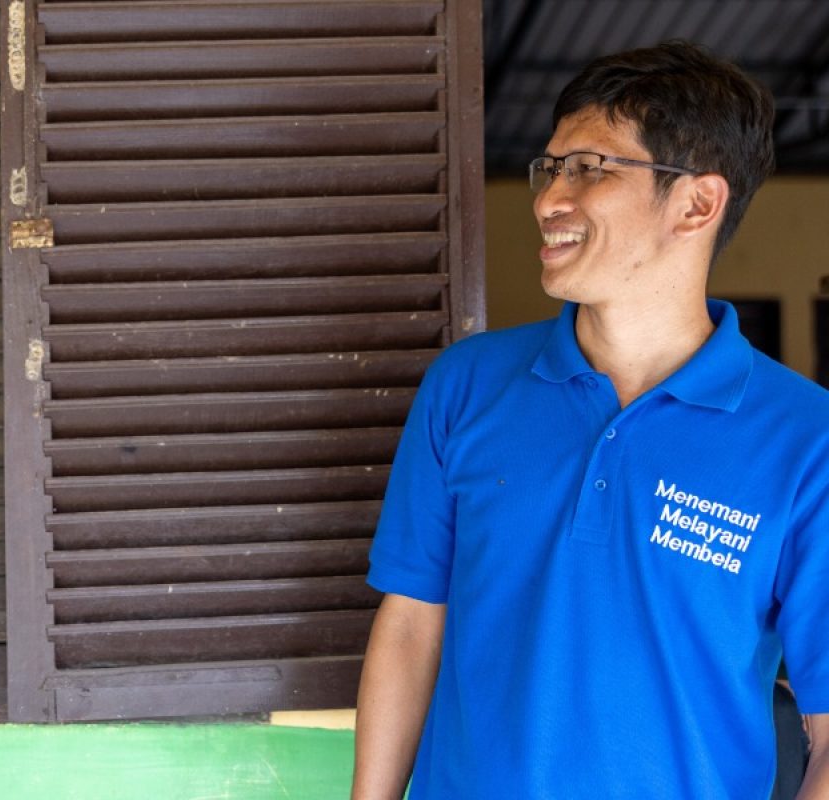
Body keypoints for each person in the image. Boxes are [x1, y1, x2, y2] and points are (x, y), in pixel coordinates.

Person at [352, 41, 829, 799]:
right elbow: (411, 625)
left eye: (591, 168)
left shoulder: (808, 443)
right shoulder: (467, 387)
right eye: (551, 167)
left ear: (698, 204)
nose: (547, 198)